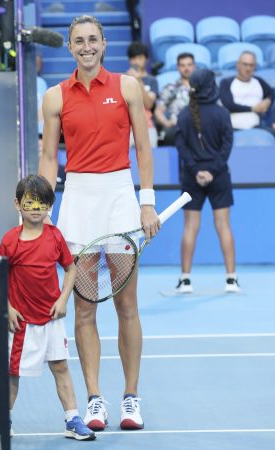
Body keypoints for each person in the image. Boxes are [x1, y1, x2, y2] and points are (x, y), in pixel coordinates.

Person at [39, 15, 159, 432]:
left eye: (93, 40)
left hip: (121, 200)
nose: (86, 46)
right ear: (69, 48)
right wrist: (43, 214)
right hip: (77, 203)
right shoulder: (54, 97)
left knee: (127, 305)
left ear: (104, 44)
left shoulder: (128, 87)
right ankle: (94, 399)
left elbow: (143, 147)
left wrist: (146, 203)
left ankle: (131, 396)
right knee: (84, 308)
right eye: (78, 41)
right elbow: (46, 159)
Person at [0, 174, 96, 441]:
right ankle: (3, 420)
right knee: (12, 375)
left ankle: (72, 419)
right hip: (22, 324)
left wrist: (63, 299)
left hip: (52, 319)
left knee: (61, 367)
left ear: (49, 206)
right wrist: (8, 308)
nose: (36, 208)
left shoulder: (55, 237)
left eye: (42, 203)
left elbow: (70, 268)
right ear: (17, 204)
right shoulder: (10, 241)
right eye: (30, 203)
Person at [174, 68, 240, 294]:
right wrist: (212, 170)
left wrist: (196, 170)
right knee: (223, 226)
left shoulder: (184, 114)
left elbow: (181, 147)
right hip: (219, 176)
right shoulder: (222, 114)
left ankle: (185, 280)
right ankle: (231, 279)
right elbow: (227, 146)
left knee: (190, 227)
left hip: (192, 178)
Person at [219, 51, 274, 132]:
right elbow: (228, 105)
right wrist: (253, 108)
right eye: (245, 64)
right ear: (237, 65)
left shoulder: (259, 82)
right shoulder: (226, 83)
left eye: (251, 65)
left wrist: (268, 101)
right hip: (233, 128)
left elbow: (271, 93)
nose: (248, 68)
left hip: (256, 127)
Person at [155, 52, 195, 145]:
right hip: (177, 127)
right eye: (183, 65)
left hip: (198, 125)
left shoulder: (201, 87)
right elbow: (158, 111)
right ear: (178, 67)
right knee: (168, 134)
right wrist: (167, 123)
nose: (186, 68)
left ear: (194, 66)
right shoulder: (170, 88)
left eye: (189, 65)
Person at [126, 41, 158, 148]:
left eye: (139, 58)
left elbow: (149, 104)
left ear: (146, 59)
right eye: (133, 58)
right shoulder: (123, 80)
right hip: (127, 129)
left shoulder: (152, 81)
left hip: (147, 127)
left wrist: (138, 81)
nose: (136, 62)